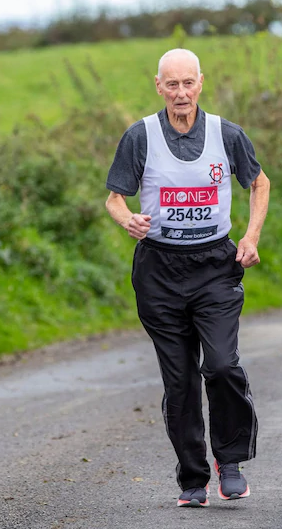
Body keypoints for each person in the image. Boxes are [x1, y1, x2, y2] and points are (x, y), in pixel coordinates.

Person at [104, 48, 271, 508]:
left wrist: (251, 237)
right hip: (159, 271)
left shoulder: (226, 134)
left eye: (188, 84)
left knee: (220, 366)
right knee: (179, 383)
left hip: (216, 267)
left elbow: (259, 183)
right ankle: (193, 478)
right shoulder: (140, 136)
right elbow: (115, 197)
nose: (181, 93)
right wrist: (128, 221)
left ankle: (230, 462)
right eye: (171, 85)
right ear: (158, 86)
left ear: (201, 83)